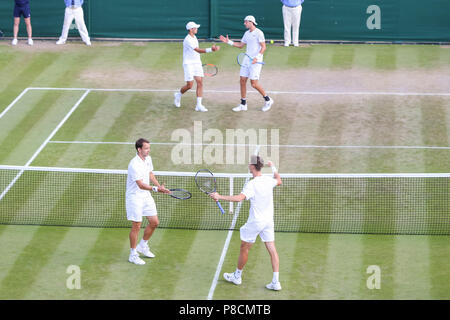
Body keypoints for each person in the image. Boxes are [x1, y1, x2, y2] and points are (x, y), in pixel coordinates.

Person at [209, 156, 283, 290]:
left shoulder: (252, 184)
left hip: (256, 222)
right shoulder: (268, 180)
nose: (248, 165)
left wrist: (219, 196)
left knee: (245, 247)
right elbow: (279, 180)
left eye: (250, 164)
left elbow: (239, 198)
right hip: (268, 221)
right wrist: (273, 167)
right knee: (272, 249)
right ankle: (276, 282)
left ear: (253, 167)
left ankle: (237, 276)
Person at [126, 138, 170, 265]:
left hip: (146, 195)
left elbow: (150, 174)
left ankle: (142, 246)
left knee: (154, 222)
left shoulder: (148, 159)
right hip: (134, 197)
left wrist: (159, 186)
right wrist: (156, 189)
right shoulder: (134, 164)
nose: (148, 150)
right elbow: (140, 184)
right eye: (146, 148)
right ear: (139, 149)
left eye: (149, 148)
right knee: (137, 226)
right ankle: (133, 254)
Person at [219, 16, 274, 112]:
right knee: (242, 80)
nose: (244, 23)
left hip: (256, 61)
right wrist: (229, 42)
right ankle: (243, 104)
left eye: (246, 22)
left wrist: (257, 57)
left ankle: (268, 100)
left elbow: (263, 47)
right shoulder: (246, 33)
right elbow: (240, 45)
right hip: (246, 60)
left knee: (254, 84)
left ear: (251, 22)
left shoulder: (259, 33)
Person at [174, 22, 220, 112]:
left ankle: (199, 105)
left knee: (200, 83)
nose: (197, 29)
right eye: (195, 28)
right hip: (188, 64)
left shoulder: (194, 37)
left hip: (197, 63)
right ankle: (178, 95)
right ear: (191, 29)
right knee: (189, 85)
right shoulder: (188, 40)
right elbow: (198, 50)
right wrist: (212, 49)